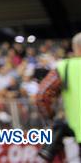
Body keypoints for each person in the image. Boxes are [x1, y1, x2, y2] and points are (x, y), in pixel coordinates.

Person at [36, 32, 81, 161]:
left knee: (59, 126)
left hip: (77, 127)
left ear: (75, 48)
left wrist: (51, 117)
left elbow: (41, 96)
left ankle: (48, 149)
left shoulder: (65, 67)